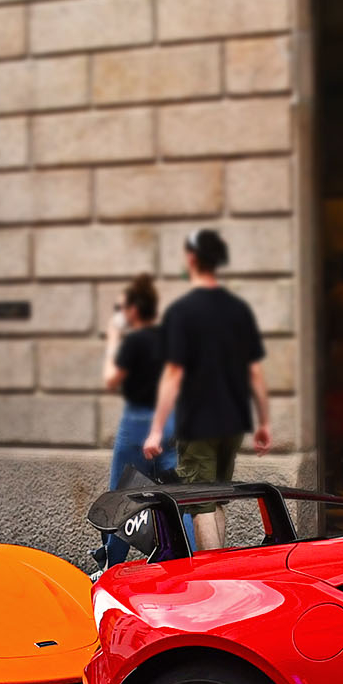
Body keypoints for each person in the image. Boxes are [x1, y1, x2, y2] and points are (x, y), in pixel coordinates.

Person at [144, 230, 270, 550]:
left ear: (192, 259)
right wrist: (264, 422)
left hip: (199, 420)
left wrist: (157, 429)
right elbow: (254, 371)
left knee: (200, 504)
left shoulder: (183, 312)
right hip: (233, 420)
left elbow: (173, 374)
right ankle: (222, 573)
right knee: (216, 501)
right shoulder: (238, 310)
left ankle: (213, 583)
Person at [99, 272, 176, 565]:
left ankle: (111, 564)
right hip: (167, 424)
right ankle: (182, 562)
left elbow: (111, 379)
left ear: (133, 310)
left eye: (121, 309)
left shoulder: (133, 343)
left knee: (122, 496)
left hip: (137, 424)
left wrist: (113, 338)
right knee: (173, 499)